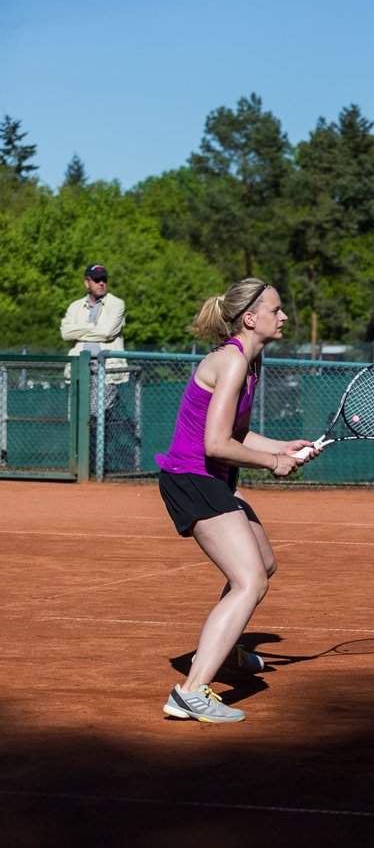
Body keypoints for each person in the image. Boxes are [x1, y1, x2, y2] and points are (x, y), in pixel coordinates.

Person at [155, 278, 314, 722]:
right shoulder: (232, 362)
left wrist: (281, 447)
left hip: (213, 477)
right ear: (250, 318)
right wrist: (271, 463)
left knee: (262, 564)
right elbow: (214, 443)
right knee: (249, 581)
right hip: (193, 476)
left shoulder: (249, 361)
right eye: (276, 310)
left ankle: (223, 649)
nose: (283, 317)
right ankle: (190, 692)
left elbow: (235, 430)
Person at [61, 263, 128, 465]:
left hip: (106, 370)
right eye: (96, 280)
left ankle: (97, 464)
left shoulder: (116, 304)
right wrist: (93, 327)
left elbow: (108, 332)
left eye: (104, 280)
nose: (101, 283)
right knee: (77, 416)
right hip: (79, 370)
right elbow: (65, 333)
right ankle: (81, 463)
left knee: (97, 416)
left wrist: (80, 329)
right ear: (86, 282)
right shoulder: (75, 306)